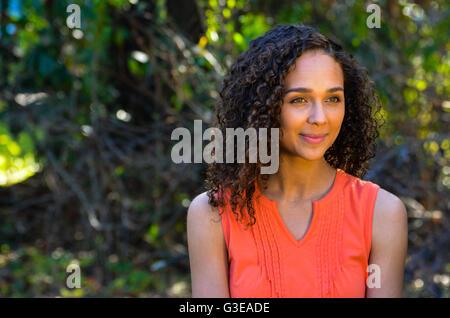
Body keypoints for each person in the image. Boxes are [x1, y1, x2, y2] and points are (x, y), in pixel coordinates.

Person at [187, 24, 408, 298]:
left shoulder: (381, 214)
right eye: (300, 99)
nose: (319, 117)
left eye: (332, 98)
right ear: (263, 107)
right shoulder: (213, 214)